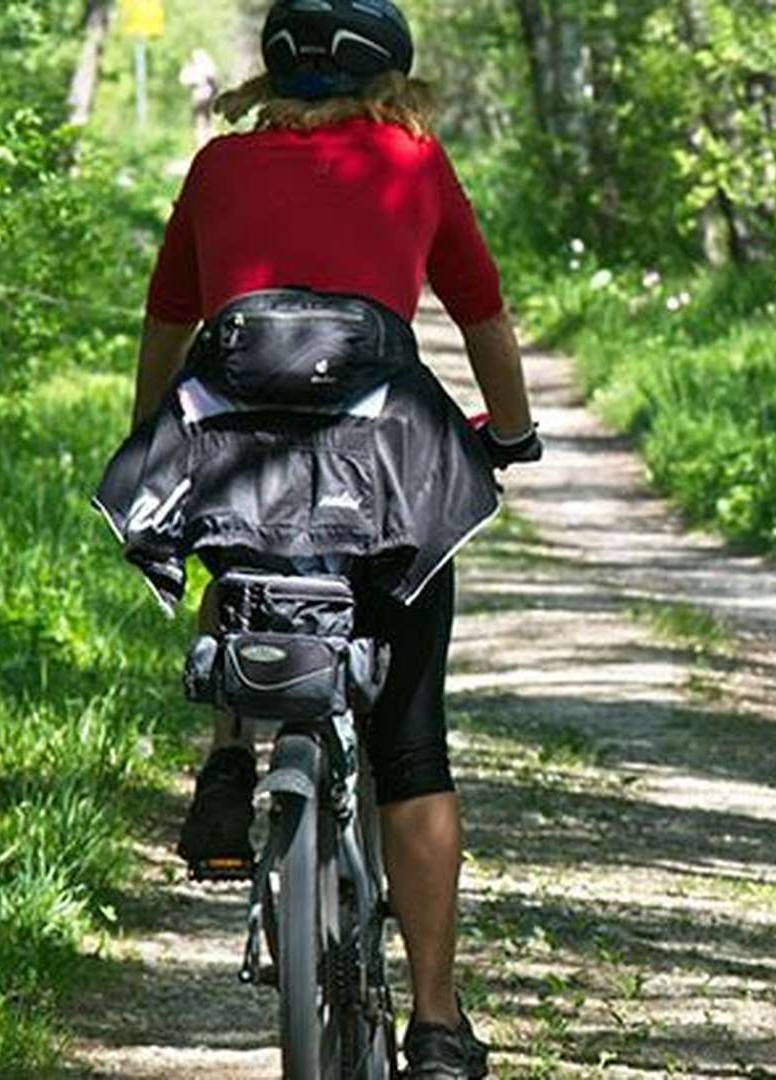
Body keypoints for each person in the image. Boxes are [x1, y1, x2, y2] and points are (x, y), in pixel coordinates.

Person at [127, 2, 535, 1075]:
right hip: (387, 470)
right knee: (412, 746)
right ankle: (438, 1022)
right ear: (388, 75)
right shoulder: (412, 158)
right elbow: (481, 314)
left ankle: (227, 751)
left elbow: (171, 326)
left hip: (235, 456)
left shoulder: (217, 167)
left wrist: (152, 438)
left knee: (234, 528)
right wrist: (517, 433)